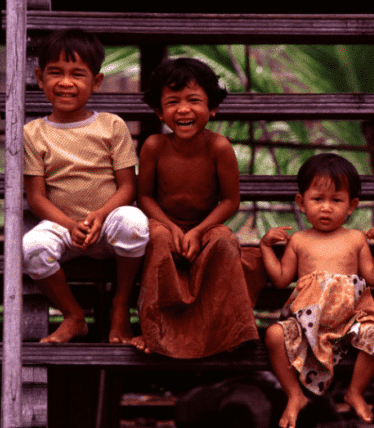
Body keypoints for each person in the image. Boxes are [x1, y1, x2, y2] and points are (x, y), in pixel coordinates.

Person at [131, 57, 266, 358]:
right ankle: (154, 332)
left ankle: (230, 332)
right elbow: (145, 197)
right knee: (157, 238)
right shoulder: (154, 146)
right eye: (172, 102)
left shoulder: (219, 147)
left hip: (206, 226)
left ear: (213, 108)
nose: (183, 109)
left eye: (194, 100)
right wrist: (172, 227)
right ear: (159, 112)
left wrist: (200, 231)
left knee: (225, 239)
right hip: (164, 223)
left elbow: (230, 200)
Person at [22, 29, 149, 344]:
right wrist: (70, 225)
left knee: (134, 223)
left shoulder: (111, 126)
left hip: (107, 225)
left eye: (77, 74)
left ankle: (121, 306)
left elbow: (127, 188)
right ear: (40, 78)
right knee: (31, 249)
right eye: (56, 73)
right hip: (63, 227)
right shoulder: (33, 132)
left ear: (96, 81)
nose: (66, 82)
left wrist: (100, 216)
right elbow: (36, 198)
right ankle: (73, 315)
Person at [260, 153, 374, 428]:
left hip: (349, 321)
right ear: (301, 202)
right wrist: (265, 248)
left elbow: (373, 277)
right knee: (274, 334)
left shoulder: (356, 238)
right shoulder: (298, 240)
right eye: (317, 199)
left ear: (351, 206)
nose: (326, 208)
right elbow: (282, 279)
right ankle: (294, 395)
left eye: (336, 200)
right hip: (307, 323)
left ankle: (355, 391)